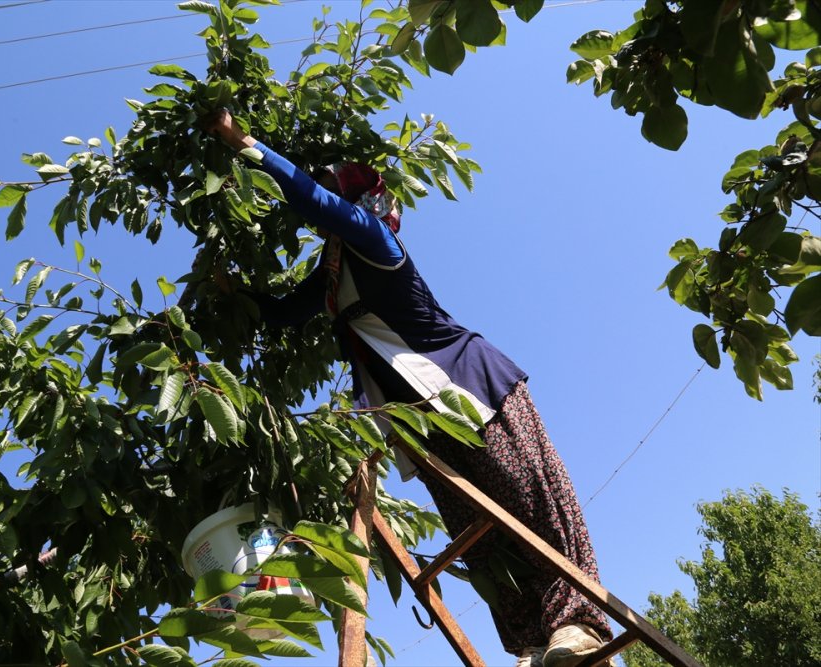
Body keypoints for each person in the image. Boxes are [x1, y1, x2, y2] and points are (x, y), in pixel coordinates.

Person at [202, 109, 614, 667]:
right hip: (422, 422)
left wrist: (242, 142)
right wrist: (233, 293)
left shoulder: (377, 244)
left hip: (469, 387)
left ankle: (579, 625)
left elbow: (314, 202)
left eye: (344, 194)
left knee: (530, 498)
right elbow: (280, 314)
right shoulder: (332, 273)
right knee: (480, 530)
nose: (336, 201)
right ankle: (532, 644)